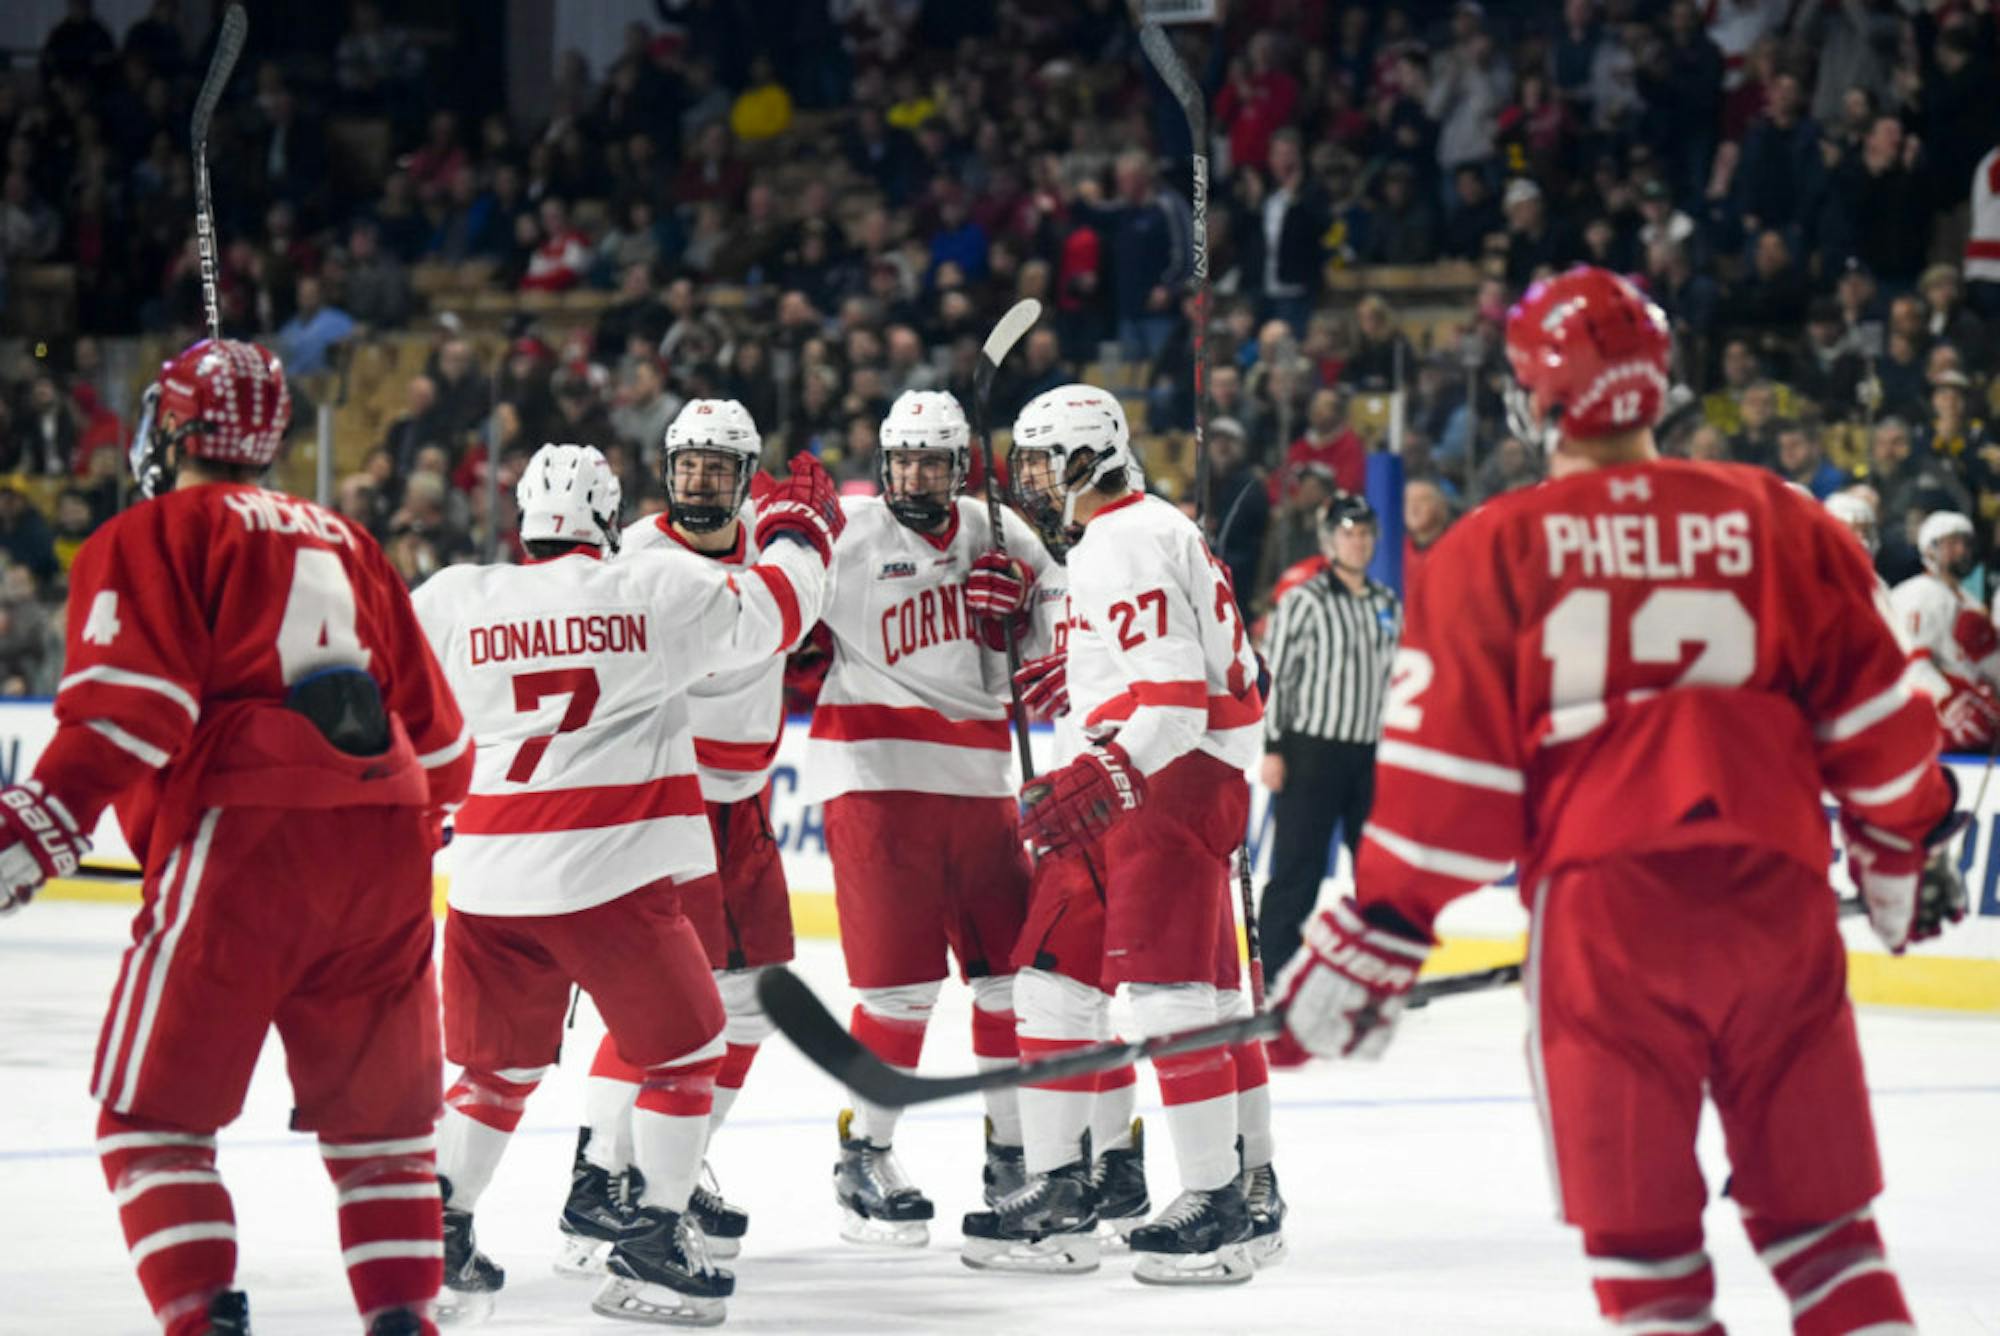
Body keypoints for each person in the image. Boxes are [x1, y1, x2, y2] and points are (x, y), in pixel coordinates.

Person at [1274, 267, 1967, 1333]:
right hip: (1776, 903)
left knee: (1648, 1265)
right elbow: (1881, 732)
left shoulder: (1491, 547)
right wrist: (1900, 851)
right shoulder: (1780, 518)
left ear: (1536, 400)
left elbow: (1448, 794)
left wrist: (1376, 932)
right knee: (1827, 1240)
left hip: (1607, 927)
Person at [0, 339, 473, 1336]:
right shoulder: (352, 538)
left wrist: (37, 829)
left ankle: (200, 1320)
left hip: (246, 835)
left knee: (151, 1123)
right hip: (387, 837)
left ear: (172, 429)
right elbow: (447, 746)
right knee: (381, 1140)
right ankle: (404, 1322)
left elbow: (132, 715)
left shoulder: (149, 530)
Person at [411, 443, 840, 1326]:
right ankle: (652, 1241)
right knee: (687, 1054)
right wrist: (797, 529)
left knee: (498, 1071)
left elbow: (386, 692)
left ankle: (440, 1237)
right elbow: (778, 611)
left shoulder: (455, 595)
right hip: (611, 871)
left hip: (489, 880)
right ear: (610, 520)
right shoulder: (649, 586)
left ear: (522, 516)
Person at [983, 385, 1274, 1285]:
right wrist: (1087, 682)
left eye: (1039, 461)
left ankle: (1219, 1205)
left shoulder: (1123, 539)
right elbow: (1217, 670)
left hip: (1161, 781)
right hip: (1162, 773)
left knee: (1171, 993)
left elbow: (1180, 703)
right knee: (1052, 981)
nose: (1028, 480)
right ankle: (1066, 1189)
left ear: (1081, 460)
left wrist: (1103, 769)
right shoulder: (1143, 530)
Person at [802, 389, 1048, 1247]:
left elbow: (1059, 625)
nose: (913, 475)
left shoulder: (1002, 531)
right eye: (902, 459)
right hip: (876, 780)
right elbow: (775, 612)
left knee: (1011, 982)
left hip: (983, 784)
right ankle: (862, 1155)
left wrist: (1025, 614)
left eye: (931, 461)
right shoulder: (852, 535)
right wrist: (781, 527)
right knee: (899, 992)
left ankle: (1013, 1156)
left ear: (959, 464)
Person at [556, 399, 795, 1276]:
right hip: (670, 800)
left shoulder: (768, 542)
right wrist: (803, 552)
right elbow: (751, 624)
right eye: (685, 465)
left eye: (716, 468)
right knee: (659, 1004)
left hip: (745, 804)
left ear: (741, 474)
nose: (697, 482)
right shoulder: (645, 559)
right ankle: (597, 1179)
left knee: (754, 996)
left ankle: (673, 1162)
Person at [1257, 493, 1402, 984]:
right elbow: (1278, 677)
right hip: (1312, 750)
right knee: (1300, 864)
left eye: (1364, 534)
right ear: (1329, 540)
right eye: (1347, 533)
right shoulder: (1304, 601)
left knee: (1378, 867)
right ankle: (1274, 967)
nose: (1357, 543)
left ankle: (1380, 964)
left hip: (1370, 753)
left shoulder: (1387, 603)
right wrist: (1273, 747)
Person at [1890, 511, 2000, 752]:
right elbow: (1911, 662)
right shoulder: (1917, 593)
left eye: (1966, 543)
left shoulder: (1970, 601)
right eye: (1953, 543)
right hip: (1936, 721)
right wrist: (1947, 701)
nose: (1962, 550)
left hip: (1979, 718)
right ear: (1930, 549)